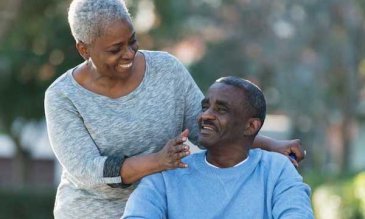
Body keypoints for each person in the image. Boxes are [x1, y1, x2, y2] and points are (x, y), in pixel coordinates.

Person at [44, 0, 305, 218]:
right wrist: (157, 161)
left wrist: (271, 145)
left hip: (160, 204)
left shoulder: (166, 69)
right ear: (83, 49)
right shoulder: (63, 96)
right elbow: (88, 169)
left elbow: (204, 124)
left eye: (132, 41)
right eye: (115, 49)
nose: (129, 54)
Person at [122, 76, 314, 219]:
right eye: (205, 107)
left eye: (221, 110)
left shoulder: (277, 171)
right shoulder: (167, 173)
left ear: (251, 126)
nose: (205, 116)